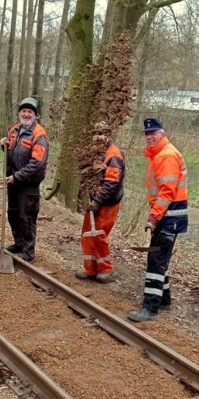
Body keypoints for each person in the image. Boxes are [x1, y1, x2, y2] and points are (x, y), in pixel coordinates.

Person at [128, 118, 189, 322]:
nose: (149, 137)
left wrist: (153, 217)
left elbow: (167, 193)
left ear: (162, 134)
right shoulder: (160, 155)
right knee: (160, 259)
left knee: (156, 260)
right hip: (167, 215)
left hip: (168, 217)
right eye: (146, 134)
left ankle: (150, 308)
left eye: (153, 133)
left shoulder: (166, 156)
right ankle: (164, 300)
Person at [0, 97, 49, 263]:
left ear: (35, 115)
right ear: (20, 113)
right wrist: (4, 145)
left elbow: (37, 164)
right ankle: (19, 244)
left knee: (26, 218)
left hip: (28, 185)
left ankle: (28, 254)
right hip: (13, 182)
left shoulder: (39, 135)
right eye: (24, 111)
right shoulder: (14, 130)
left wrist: (17, 177)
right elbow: (12, 151)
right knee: (13, 215)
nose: (26, 114)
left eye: (30, 112)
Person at [76, 121, 125, 282]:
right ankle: (90, 269)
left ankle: (106, 269)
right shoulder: (96, 153)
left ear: (108, 135)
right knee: (87, 234)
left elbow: (111, 184)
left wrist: (97, 201)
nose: (98, 137)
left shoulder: (113, 155)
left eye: (102, 134)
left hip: (107, 204)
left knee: (99, 236)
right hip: (94, 201)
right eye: (96, 134)